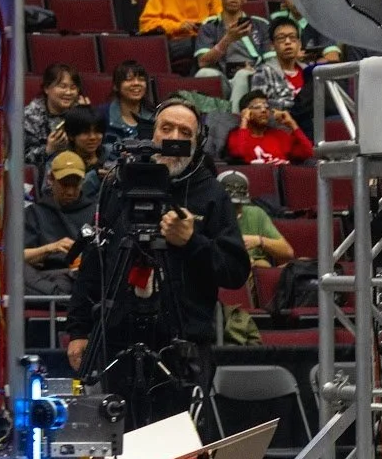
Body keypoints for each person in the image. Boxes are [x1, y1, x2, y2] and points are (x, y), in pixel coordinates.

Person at [66, 97, 250, 419]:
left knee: (176, 449)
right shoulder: (117, 186)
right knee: (114, 445)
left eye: (184, 132)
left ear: (197, 143)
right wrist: (80, 330)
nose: (174, 138)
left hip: (182, 347)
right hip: (118, 339)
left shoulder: (211, 195)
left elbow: (235, 272)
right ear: (152, 136)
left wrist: (192, 241)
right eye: (166, 128)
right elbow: (94, 259)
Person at [194, 0, 272, 108]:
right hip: (223, 78)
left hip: (253, 78)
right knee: (204, 73)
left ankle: (233, 123)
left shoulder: (261, 25)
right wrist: (228, 39)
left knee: (242, 75)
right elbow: (202, 62)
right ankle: (207, 123)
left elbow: (272, 61)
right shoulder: (210, 26)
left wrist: (257, 69)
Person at [23, 151, 96, 298]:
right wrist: (50, 248)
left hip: (82, 277)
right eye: (64, 184)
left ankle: (61, 297)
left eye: (75, 185)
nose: (70, 192)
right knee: (12, 268)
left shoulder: (96, 213)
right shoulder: (35, 213)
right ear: (51, 179)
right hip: (45, 278)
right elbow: (19, 257)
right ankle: (63, 297)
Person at [218, 170, 294, 265]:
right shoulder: (209, 215)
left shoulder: (256, 214)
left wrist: (259, 241)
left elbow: (288, 253)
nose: (235, 209)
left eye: (238, 205)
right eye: (230, 204)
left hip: (256, 269)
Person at [251, 16, 314, 127]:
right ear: (272, 45)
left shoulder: (310, 72)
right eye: (281, 38)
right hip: (281, 128)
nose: (288, 42)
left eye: (292, 37)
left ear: (299, 43)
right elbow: (257, 106)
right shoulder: (263, 72)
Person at [225, 90, 313, 164]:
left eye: (266, 107)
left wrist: (292, 124)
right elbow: (239, 154)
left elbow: (308, 152)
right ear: (246, 112)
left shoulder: (279, 135)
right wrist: (244, 120)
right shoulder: (237, 135)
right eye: (257, 107)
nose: (264, 110)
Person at [25, 63, 83, 171]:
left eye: (73, 87)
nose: (69, 92)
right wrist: (48, 149)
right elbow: (22, 161)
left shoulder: (79, 111)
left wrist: (87, 117)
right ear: (47, 88)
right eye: (63, 86)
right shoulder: (30, 117)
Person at [48, 104, 107, 200]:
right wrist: (95, 177)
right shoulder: (59, 160)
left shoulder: (111, 155)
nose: (93, 137)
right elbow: (50, 192)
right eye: (85, 133)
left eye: (97, 132)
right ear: (71, 135)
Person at [104, 60, 154, 154]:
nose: (136, 83)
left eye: (141, 79)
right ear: (115, 86)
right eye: (129, 79)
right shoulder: (102, 115)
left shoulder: (154, 117)